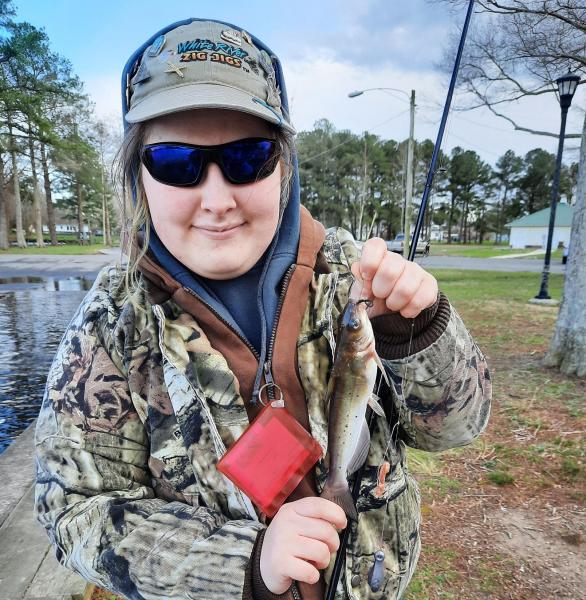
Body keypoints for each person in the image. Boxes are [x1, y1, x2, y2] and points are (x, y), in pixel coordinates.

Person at [34, 18, 492, 600]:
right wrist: (243, 565)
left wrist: (416, 333)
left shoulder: (357, 278)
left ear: (284, 167)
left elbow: (457, 430)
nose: (217, 199)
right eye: (176, 161)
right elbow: (74, 510)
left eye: (248, 157)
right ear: (137, 178)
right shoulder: (111, 323)